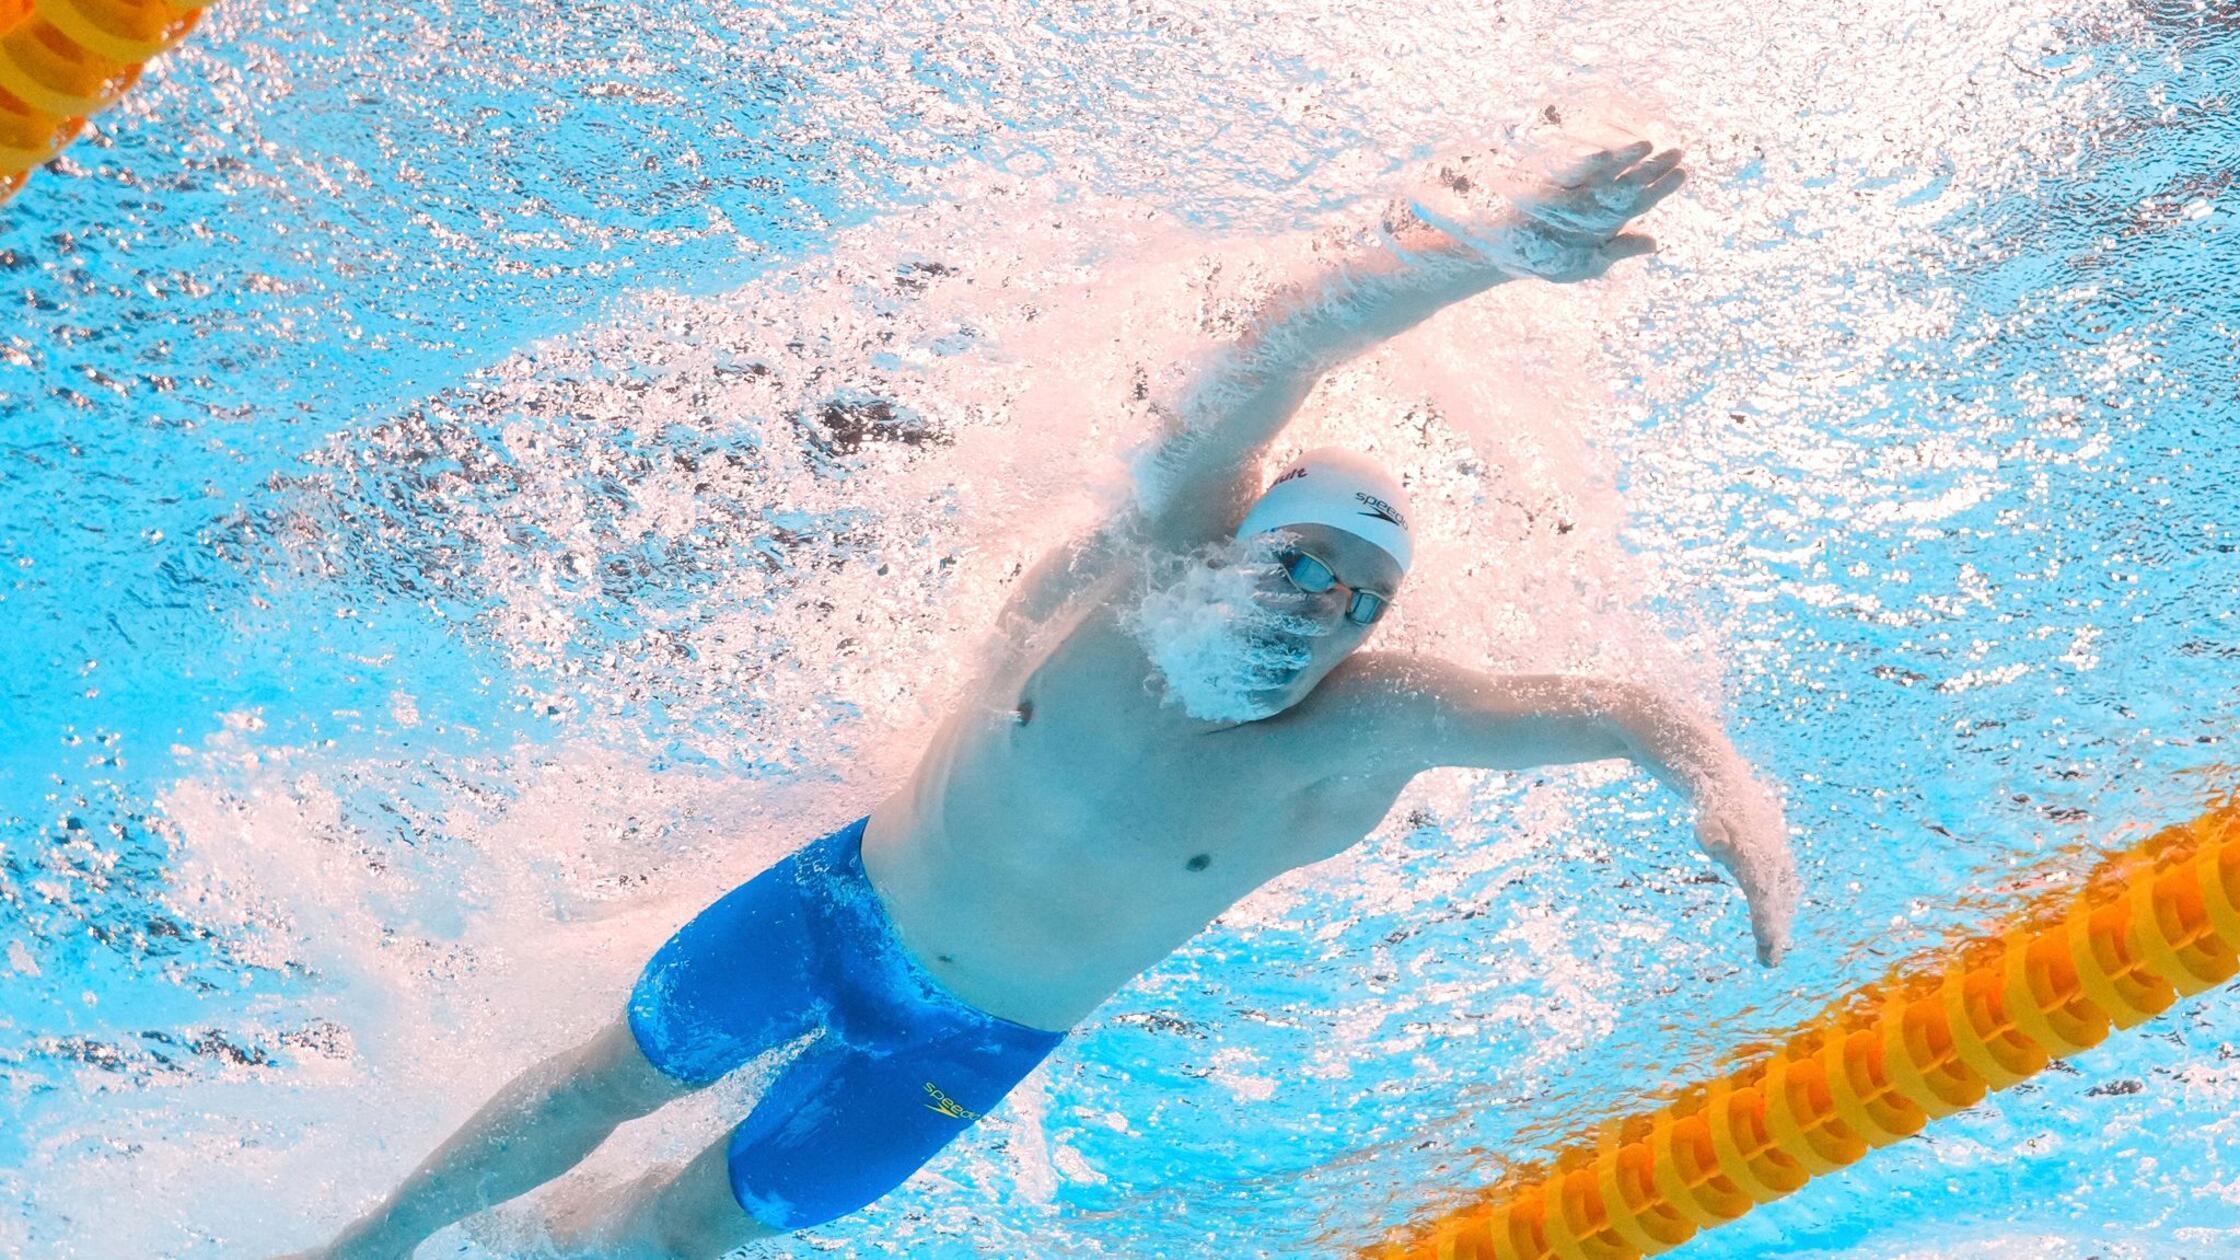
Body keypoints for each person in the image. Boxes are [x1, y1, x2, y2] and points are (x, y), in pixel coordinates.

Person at [300, 138, 1797, 1259]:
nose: (1324, 607)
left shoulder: (1360, 730)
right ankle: (361, 1244)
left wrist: (1726, 795)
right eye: (1306, 563)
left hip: (965, 1051)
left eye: (1361, 599)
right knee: (595, 1084)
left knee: (685, 1233)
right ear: (1242, 538)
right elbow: (1282, 344)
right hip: (836, 907)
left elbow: (1613, 713)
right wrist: (1484, 253)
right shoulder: (1142, 560)